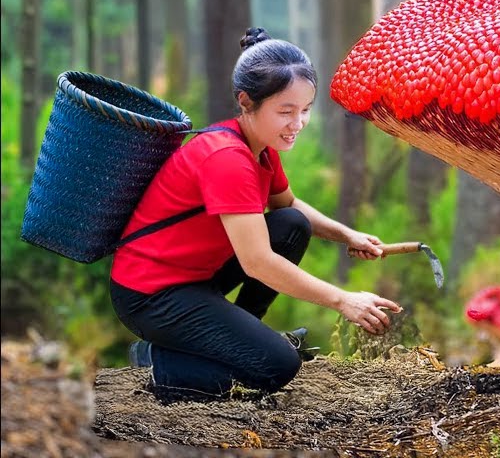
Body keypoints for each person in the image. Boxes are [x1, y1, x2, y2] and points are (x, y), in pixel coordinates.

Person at [109, 27, 401, 401]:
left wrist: (349, 235)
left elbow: (290, 208)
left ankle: (238, 338)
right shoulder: (226, 158)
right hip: (152, 294)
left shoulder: (261, 147)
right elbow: (258, 263)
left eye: (306, 110)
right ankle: (156, 357)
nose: (298, 124)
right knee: (277, 367)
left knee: (292, 226)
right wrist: (343, 300)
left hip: (197, 277)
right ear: (246, 102)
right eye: (285, 111)